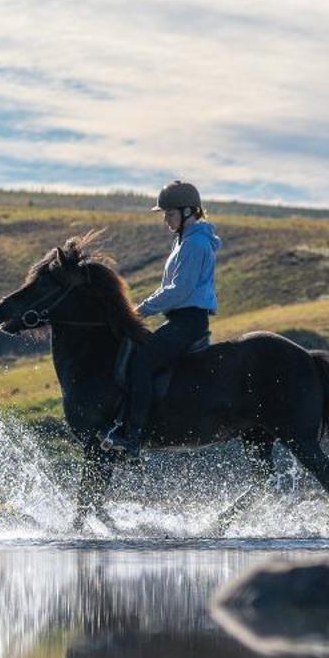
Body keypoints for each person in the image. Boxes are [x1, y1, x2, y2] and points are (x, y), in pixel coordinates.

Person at [101, 180, 219, 453]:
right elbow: (169, 289)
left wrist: (140, 310)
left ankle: (133, 436)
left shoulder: (195, 244)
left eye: (170, 214)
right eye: (165, 214)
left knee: (141, 360)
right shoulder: (186, 241)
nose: (166, 219)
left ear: (189, 212)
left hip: (188, 322)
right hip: (179, 320)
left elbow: (179, 290)